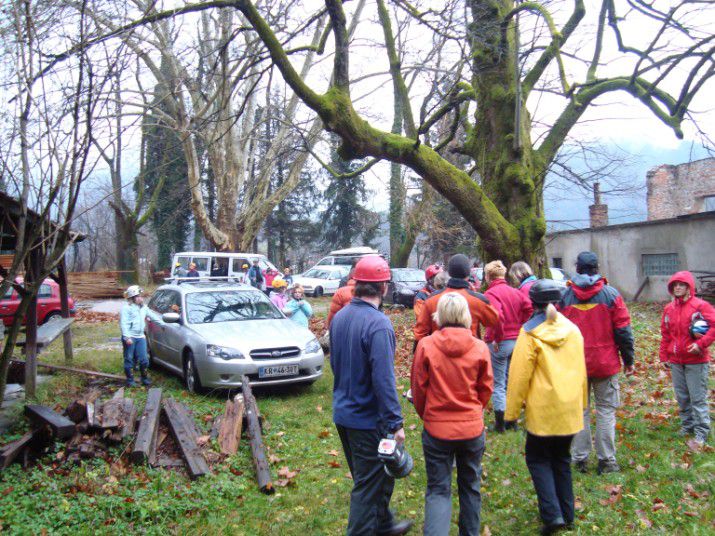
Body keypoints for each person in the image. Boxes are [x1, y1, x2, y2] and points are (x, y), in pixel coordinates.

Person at [330, 255, 412, 536]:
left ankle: (385, 525)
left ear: (357, 284)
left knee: (375, 476)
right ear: (384, 287)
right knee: (368, 484)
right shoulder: (378, 324)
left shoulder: (339, 317)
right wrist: (395, 423)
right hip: (367, 421)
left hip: (343, 414)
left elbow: (336, 365)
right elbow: (384, 380)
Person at [505, 279, 588, 536]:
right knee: (562, 459)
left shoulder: (529, 333)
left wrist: (510, 413)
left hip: (543, 411)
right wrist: (582, 404)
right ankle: (567, 513)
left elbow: (518, 376)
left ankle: (552, 514)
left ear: (534, 303)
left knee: (538, 458)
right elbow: (582, 370)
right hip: (569, 408)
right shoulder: (574, 330)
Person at [411, 293, 493, 536]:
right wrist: (475, 412)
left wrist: (428, 415)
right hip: (470, 428)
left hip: (438, 429)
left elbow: (418, 388)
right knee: (470, 485)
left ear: (440, 316)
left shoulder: (426, 345)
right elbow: (486, 388)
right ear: (466, 315)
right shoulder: (479, 347)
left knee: (438, 489)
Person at [559, 251, 635, 475]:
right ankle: (607, 461)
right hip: (605, 363)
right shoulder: (611, 295)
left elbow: (558, 331)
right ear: (596, 268)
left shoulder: (565, 296)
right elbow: (623, 331)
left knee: (580, 411)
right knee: (605, 411)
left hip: (575, 364)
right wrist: (628, 359)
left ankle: (579, 458)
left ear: (577, 268)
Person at [659, 271, 715, 446]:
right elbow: (666, 334)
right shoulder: (669, 309)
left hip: (696, 361)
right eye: (674, 285)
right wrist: (664, 355)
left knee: (697, 397)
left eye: (681, 285)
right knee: (682, 396)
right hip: (676, 361)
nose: (677, 288)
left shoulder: (701, 306)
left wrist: (701, 344)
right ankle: (687, 425)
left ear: (689, 287)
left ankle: (702, 431)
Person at [483, 260, 532, 433]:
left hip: (500, 343)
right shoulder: (516, 292)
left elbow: (498, 317)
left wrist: (497, 338)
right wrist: (522, 327)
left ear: (489, 276)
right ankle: (512, 420)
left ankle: (500, 424)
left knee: (498, 383)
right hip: (517, 341)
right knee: (512, 381)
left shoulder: (490, 293)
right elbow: (529, 309)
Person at [414, 253, 499, 344]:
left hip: (438, 353)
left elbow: (419, 333)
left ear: (449, 273)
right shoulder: (478, 300)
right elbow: (494, 321)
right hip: (471, 353)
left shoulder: (431, 299)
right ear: (468, 273)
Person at [119, 285, 160, 387]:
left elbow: (154, 317)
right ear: (132, 298)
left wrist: (166, 323)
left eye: (141, 296)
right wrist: (127, 337)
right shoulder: (126, 309)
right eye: (138, 296)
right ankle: (130, 380)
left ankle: (144, 378)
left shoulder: (144, 308)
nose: (141, 298)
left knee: (144, 359)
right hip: (130, 337)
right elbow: (124, 323)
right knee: (129, 358)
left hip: (140, 336)